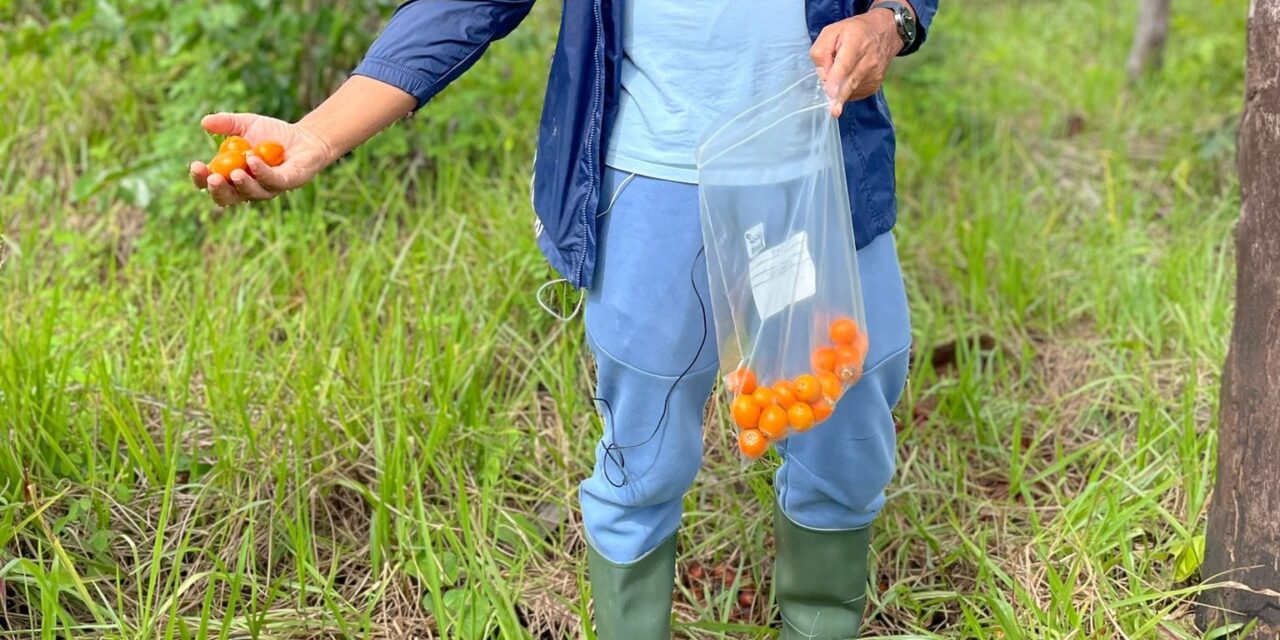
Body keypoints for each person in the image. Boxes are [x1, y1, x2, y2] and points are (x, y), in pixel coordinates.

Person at [190, 0, 938, 637]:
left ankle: (821, 617)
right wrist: (321, 132)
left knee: (845, 428)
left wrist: (891, 19)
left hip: (820, 164)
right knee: (642, 453)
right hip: (652, 177)